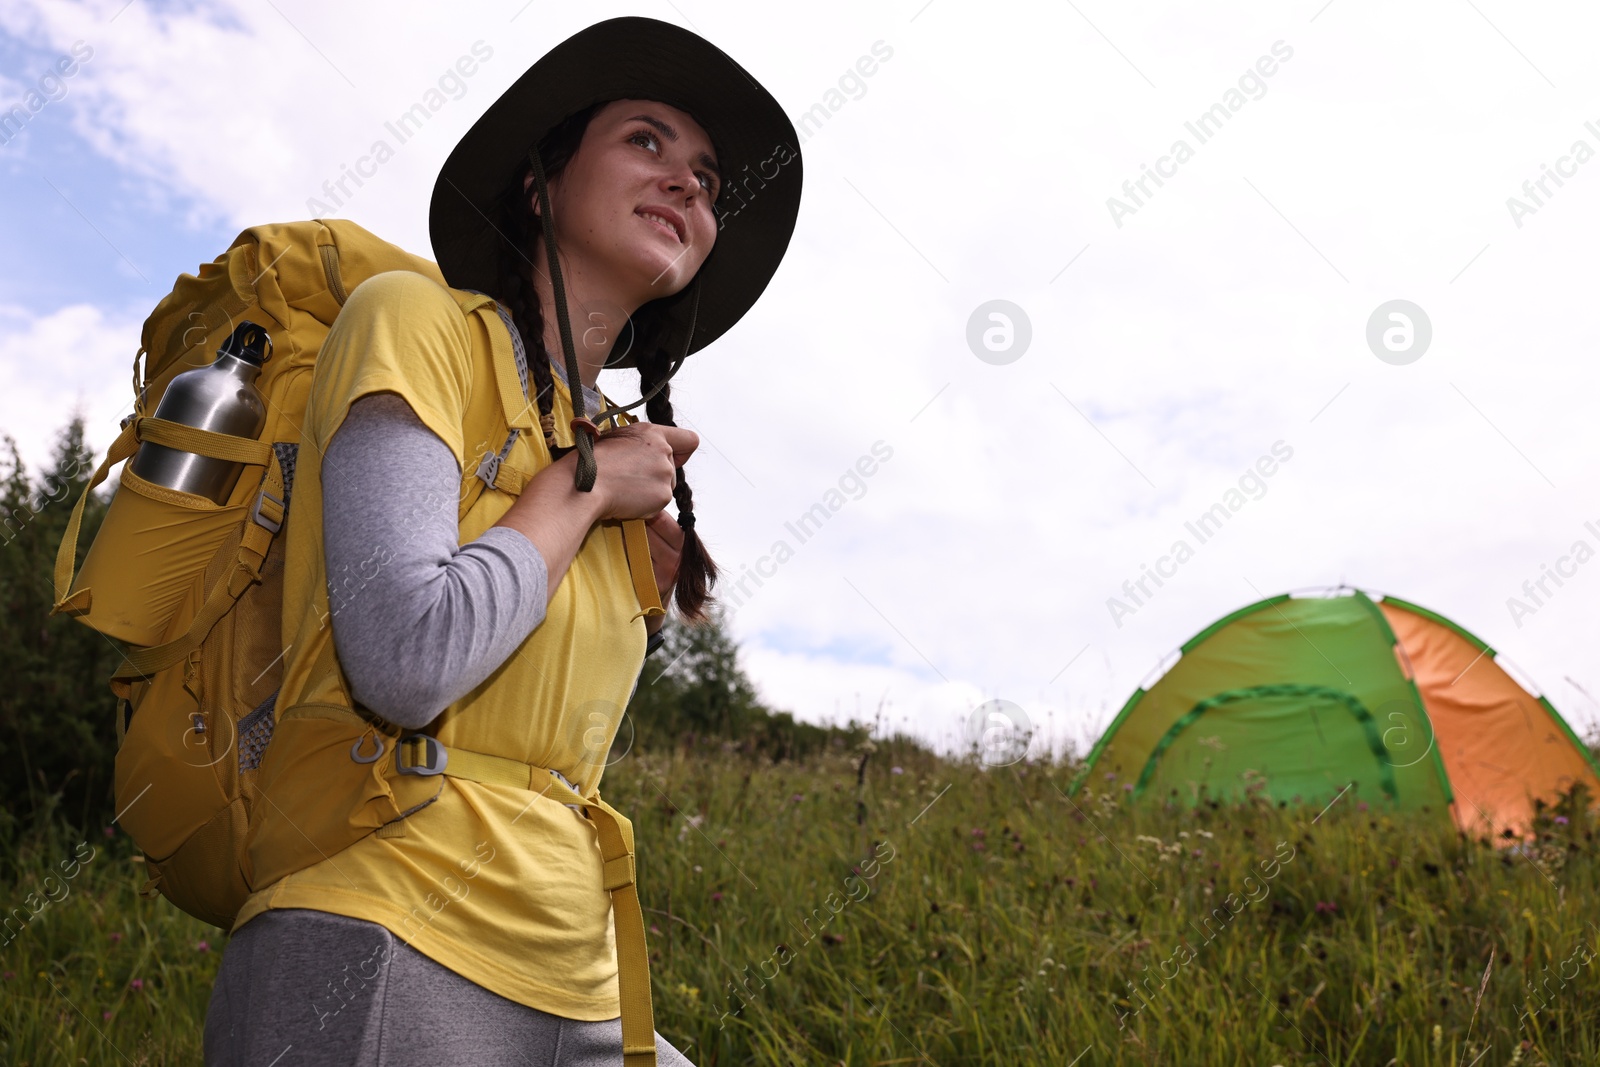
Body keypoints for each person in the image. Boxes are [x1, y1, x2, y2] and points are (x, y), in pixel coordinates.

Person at [202, 17, 801, 1067]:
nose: (689, 186)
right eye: (646, 142)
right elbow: (403, 661)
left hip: (583, 971)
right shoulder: (416, 324)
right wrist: (577, 498)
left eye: (706, 175)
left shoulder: (608, 449)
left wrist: (598, 524)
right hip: (381, 927)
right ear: (540, 182)